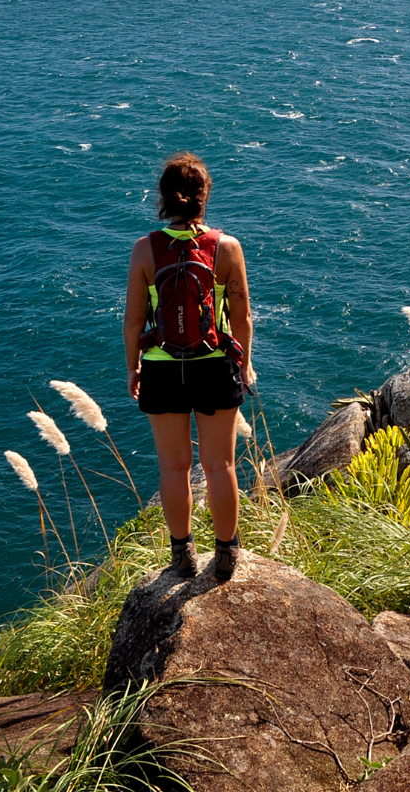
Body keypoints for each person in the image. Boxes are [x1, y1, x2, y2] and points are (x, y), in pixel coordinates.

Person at [123, 152, 255, 581]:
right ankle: (226, 554)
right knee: (220, 466)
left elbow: (133, 319)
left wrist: (134, 368)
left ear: (163, 199)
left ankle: (181, 555)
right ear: (203, 198)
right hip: (214, 364)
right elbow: (242, 317)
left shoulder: (145, 249)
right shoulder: (226, 247)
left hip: (162, 367)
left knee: (172, 467)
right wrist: (246, 364)